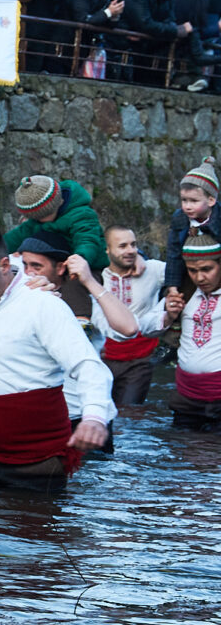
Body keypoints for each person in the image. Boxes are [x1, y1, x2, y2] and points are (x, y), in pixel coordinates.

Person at [0, 225, 114, 493]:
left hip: (34, 463)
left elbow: (88, 365)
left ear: (4, 265)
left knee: (32, 532)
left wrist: (93, 417)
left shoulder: (43, 304)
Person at [98, 225, 166, 407]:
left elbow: (183, 273)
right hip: (102, 358)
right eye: (122, 246)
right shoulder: (96, 276)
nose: (130, 251)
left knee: (130, 414)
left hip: (139, 360)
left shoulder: (153, 270)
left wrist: (167, 308)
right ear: (107, 250)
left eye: (133, 245)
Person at [161, 233, 221, 431]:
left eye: (207, 269)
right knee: (182, 453)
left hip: (218, 399)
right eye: (192, 271)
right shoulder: (183, 293)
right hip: (186, 397)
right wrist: (169, 315)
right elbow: (145, 328)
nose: (200, 277)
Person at [3, 174, 108, 274]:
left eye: (41, 217)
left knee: (73, 287)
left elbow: (87, 240)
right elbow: (16, 236)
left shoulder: (82, 215)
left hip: (88, 266)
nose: (38, 220)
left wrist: (80, 258)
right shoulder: (35, 221)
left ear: (56, 205)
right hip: (57, 265)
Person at [164, 156, 221, 297]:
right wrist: (172, 287)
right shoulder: (180, 218)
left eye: (194, 201)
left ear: (211, 200)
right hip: (190, 269)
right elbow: (174, 254)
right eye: (184, 200)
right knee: (181, 299)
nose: (187, 207)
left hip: (215, 272)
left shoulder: (218, 219)